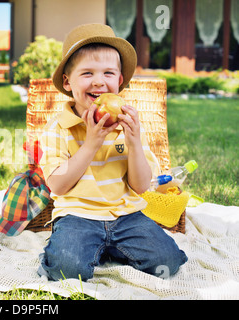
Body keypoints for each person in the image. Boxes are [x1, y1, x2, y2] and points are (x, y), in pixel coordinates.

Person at [37, 24, 187, 281]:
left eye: (108, 72)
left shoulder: (127, 124)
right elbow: (58, 186)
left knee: (168, 261)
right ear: (67, 81)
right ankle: (66, 254)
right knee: (66, 269)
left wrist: (134, 143)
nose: (98, 81)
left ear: (119, 81)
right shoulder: (58, 127)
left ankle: (110, 250)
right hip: (78, 216)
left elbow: (140, 186)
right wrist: (92, 144)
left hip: (126, 216)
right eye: (87, 73)